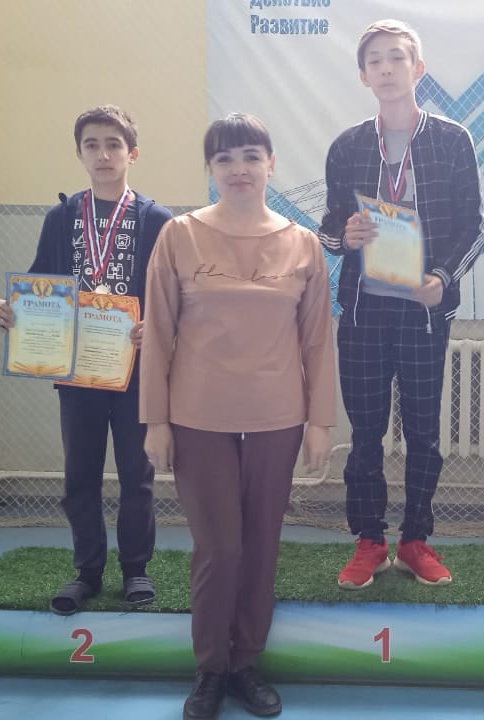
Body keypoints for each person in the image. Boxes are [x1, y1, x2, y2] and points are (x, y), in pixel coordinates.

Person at [140, 112, 334, 719]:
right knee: (218, 548)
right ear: (210, 168)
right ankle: (210, 668)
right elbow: (159, 334)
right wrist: (155, 420)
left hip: (278, 418)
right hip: (198, 417)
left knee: (261, 545)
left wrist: (320, 422)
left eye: (251, 156)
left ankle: (246, 662)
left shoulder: (303, 244)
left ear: (271, 164)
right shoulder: (178, 235)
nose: (239, 168)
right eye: (225, 158)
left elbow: (316, 342)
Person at [318, 19, 484, 590]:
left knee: (422, 433)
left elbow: (474, 226)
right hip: (363, 313)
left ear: (418, 68)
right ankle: (369, 541)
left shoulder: (451, 140)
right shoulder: (347, 147)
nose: (387, 68)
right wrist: (345, 236)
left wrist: (443, 276)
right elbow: (328, 228)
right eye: (375, 60)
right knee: (365, 434)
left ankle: (415, 540)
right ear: (363, 76)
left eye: (397, 58)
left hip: (423, 311)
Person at [0, 105, 171, 615]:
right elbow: (39, 282)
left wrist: (156, 328)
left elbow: (173, 296)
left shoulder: (158, 221)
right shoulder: (62, 218)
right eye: (92, 144)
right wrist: (13, 312)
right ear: (79, 154)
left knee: (137, 475)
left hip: (136, 373)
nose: (103, 154)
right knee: (80, 476)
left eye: (114, 144)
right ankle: (87, 572)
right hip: (77, 373)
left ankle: (135, 569)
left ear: (132, 153)